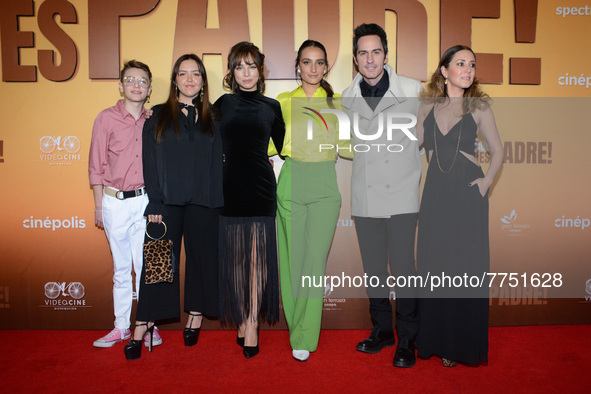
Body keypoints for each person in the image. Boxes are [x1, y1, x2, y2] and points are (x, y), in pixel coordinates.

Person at [123, 54, 223, 360]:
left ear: (204, 81)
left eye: (196, 74)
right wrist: (154, 199)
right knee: (157, 264)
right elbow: (149, 162)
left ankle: (195, 316)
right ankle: (142, 325)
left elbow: (219, 163)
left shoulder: (213, 118)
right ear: (175, 79)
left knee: (202, 261)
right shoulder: (157, 116)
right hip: (165, 203)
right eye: (183, 74)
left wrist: (218, 201)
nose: (190, 79)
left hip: (205, 204)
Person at [415, 45, 502, 367]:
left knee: (462, 270)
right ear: (444, 70)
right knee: (436, 267)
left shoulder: (478, 107)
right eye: (460, 63)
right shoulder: (428, 108)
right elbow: (412, 142)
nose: (468, 69)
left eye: (472, 64)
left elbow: (499, 150)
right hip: (436, 194)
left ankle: (458, 343)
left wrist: (486, 181)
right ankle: (435, 338)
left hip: (467, 194)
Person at [341, 23, 422, 368]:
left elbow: (428, 135)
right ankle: (382, 331)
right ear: (356, 59)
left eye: (376, 51)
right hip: (366, 195)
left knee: (403, 269)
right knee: (374, 269)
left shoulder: (413, 89)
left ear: (386, 55)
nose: (370, 59)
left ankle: (407, 338)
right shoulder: (347, 96)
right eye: (363, 53)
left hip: (402, 193)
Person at [271, 40, 352, 362]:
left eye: (320, 62)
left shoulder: (338, 102)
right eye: (307, 62)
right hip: (291, 179)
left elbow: (348, 146)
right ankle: (297, 328)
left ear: (326, 67)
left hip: (324, 183)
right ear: (298, 66)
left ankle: (304, 334)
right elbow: (265, 143)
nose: (313, 68)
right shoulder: (281, 101)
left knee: (314, 264)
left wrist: (394, 145)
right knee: (292, 262)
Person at [216, 41, 285, 359]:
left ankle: (252, 321)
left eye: (251, 66)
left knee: (257, 260)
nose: (246, 72)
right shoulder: (221, 105)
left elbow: (286, 147)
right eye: (239, 66)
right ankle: (244, 314)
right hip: (229, 189)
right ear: (231, 72)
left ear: (261, 69)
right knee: (237, 260)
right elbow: (199, 137)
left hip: (260, 188)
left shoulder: (272, 106)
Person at [89, 60, 162, 349]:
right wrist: (98, 207)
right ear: (121, 85)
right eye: (130, 80)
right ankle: (121, 326)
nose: (136, 85)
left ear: (150, 88)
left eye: (142, 81)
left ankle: (148, 326)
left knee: (147, 267)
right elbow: (96, 165)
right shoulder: (105, 118)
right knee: (121, 269)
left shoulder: (153, 119)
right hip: (113, 202)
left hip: (144, 201)